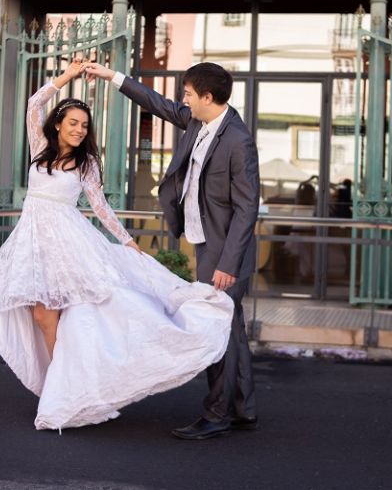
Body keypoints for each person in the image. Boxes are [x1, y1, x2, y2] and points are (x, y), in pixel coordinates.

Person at [0, 60, 234, 432]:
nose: (79, 130)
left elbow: (100, 206)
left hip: (67, 243)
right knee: (42, 316)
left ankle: (66, 392)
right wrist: (68, 77)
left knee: (69, 316)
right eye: (73, 123)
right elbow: (33, 104)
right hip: (32, 243)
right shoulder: (39, 147)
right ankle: (61, 385)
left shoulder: (86, 162)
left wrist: (127, 242)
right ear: (58, 124)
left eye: (84, 126)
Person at [84, 60, 260, 440]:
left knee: (216, 329)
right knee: (232, 328)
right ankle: (243, 408)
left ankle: (217, 414)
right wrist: (112, 76)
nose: (184, 100)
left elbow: (247, 208)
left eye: (189, 94)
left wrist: (228, 263)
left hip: (227, 251)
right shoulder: (198, 122)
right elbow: (158, 104)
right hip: (204, 242)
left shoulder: (237, 140)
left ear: (208, 97)